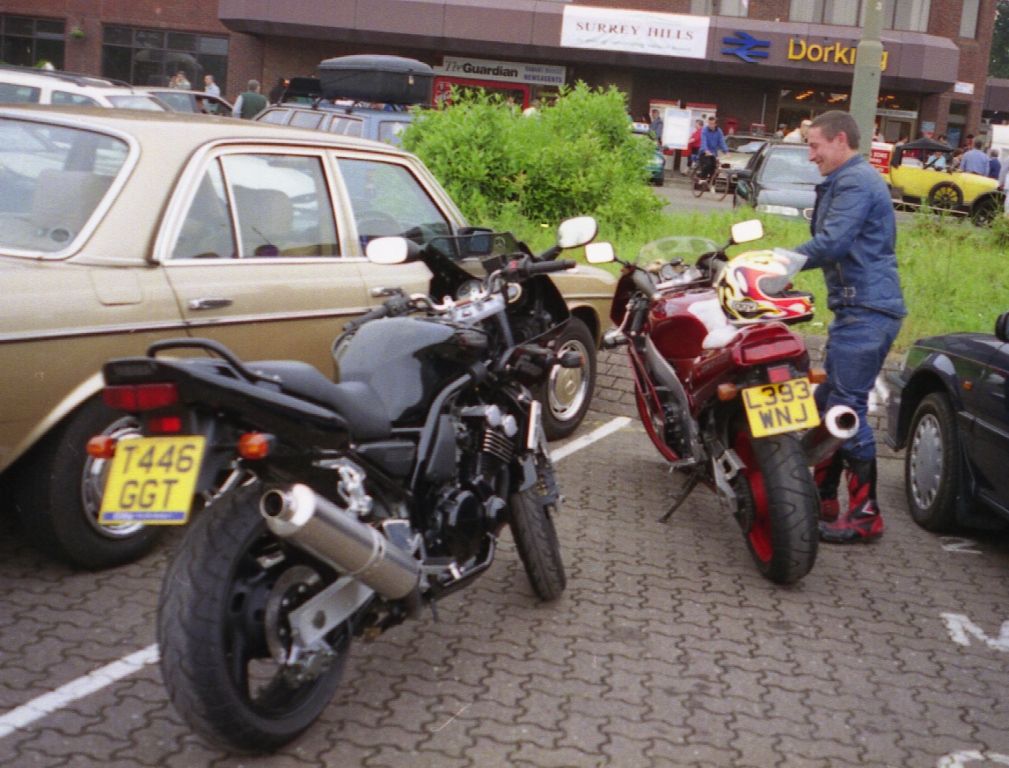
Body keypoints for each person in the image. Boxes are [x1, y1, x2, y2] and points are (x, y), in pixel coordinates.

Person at [795, 110, 905, 544]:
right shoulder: (846, 181)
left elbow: (833, 242)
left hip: (867, 311)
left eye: (815, 145)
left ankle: (866, 517)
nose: (811, 155)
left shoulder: (856, 181)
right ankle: (823, 499)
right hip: (859, 309)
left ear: (840, 140)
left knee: (845, 410)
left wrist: (780, 263)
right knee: (827, 405)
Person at [697, 115, 728, 181]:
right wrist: (706, 150)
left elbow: (721, 141)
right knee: (708, 164)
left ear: (716, 124)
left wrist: (726, 151)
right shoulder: (704, 130)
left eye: (712, 124)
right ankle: (702, 178)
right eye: (709, 123)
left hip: (713, 153)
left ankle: (711, 184)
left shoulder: (719, 131)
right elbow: (704, 141)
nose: (710, 125)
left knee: (714, 169)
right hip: (704, 152)